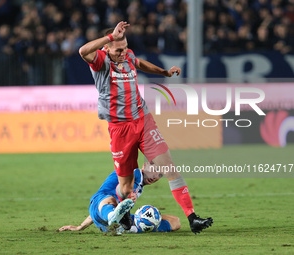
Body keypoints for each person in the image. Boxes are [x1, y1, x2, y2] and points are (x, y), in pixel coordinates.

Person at [78, 21, 213, 234]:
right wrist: (110, 37)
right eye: (118, 50)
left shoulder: (128, 55)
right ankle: (122, 219)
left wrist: (165, 73)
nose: (123, 53)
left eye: (125, 48)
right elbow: (83, 51)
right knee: (125, 187)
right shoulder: (101, 61)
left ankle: (192, 217)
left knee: (169, 168)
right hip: (120, 129)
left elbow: (140, 63)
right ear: (107, 47)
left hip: (143, 119)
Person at [59, 166, 181, 234]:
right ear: (145, 166)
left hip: (106, 218)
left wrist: (80, 227)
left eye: (159, 175)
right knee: (112, 201)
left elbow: (97, 212)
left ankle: (125, 225)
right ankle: (123, 224)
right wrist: (125, 197)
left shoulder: (139, 187)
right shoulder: (133, 173)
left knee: (175, 221)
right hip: (103, 206)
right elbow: (105, 202)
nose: (155, 177)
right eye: (154, 170)